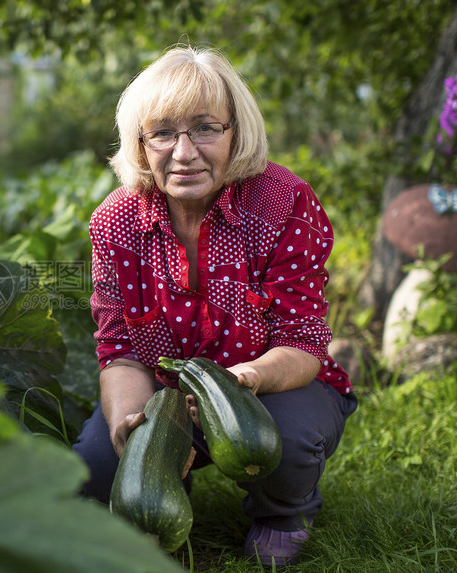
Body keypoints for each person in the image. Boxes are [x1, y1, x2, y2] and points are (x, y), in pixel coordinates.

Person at [72, 45, 358, 566]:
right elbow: (118, 350)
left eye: (206, 128)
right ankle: (170, 491)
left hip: (274, 385)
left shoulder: (282, 203)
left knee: (283, 442)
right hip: (165, 396)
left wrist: (242, 381)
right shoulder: (115, 222)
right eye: (163, 132)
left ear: (236, 133)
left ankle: (282, 512)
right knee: (94, 470)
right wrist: (127, 418)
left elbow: (302, 343)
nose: (183, 153)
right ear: (141, 143)